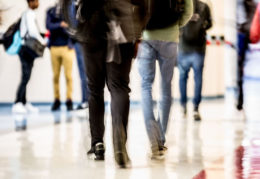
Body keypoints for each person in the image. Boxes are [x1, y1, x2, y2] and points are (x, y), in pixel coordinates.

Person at [60, 0, 150, 167]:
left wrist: (74, 28)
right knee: (119, 87)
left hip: (91, 27)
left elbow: (65, 3)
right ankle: (119, 137)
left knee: (95, 90)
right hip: (122, 26)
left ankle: (97, 144)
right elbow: (144, 4)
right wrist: (138, 32)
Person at [136, 0, 193, 159]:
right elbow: (188, 10)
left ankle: (153, 139)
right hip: (170, 38)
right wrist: (175, 24)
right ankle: (160, 138)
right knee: (166, 87)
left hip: (147, 37)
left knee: (146, 86)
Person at [178, 0, 212, 121]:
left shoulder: (180, 5)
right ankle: (195, 109)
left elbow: (176, 24)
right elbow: (209, 24)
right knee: (198, 79)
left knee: (183, 78)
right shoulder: (204, 7)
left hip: (183, 48)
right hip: (198, 49)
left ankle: (183, 107)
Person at [12, 0, 46, 114]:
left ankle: (24, 102)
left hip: (25, 49)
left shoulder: (27, 13)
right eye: (36, 1)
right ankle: (17, 102)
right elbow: (32, 32)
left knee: (26, 76)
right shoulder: (29, 14)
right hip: (25, 49)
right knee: (25, 76)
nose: (38, 3)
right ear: (31, 2)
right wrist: (42, 41)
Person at [46, 4, 75, 111]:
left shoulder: (69, 12)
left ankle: (69, 100)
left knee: (68, 76)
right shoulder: (51, 11)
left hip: (68, 48)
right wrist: (60, 24)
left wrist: (60, 25)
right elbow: (49, 26)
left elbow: (71, 28)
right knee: (55, 76)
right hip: (54, 48)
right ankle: (57, 100)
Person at [236, 0, 258, 111]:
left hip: (245, 36)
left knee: (240, 70)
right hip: (245, 36)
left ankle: (240, 100)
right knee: (239, 71)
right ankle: (240, 100)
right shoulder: (251, 5)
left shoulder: (252, 5)